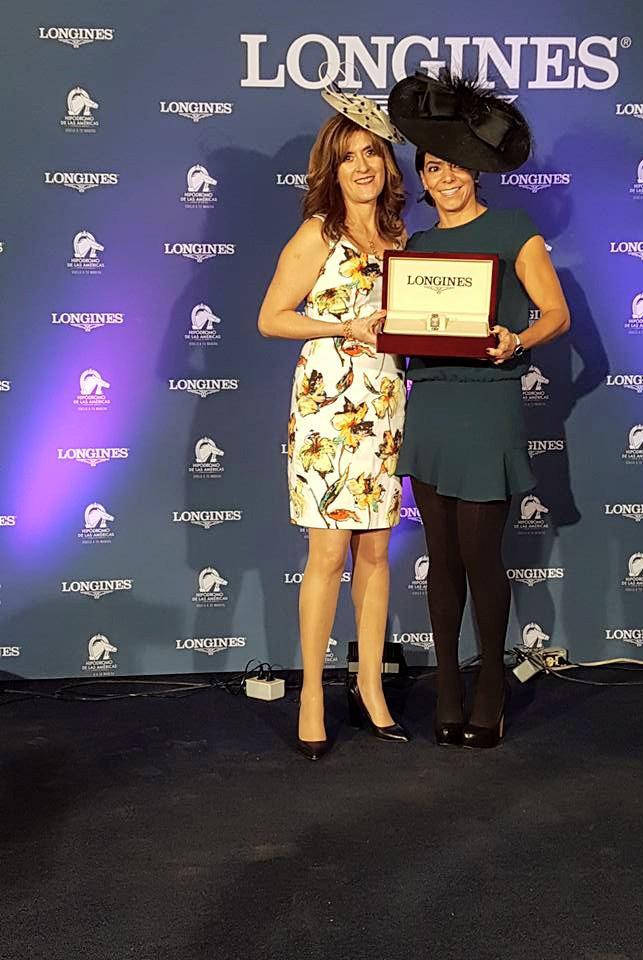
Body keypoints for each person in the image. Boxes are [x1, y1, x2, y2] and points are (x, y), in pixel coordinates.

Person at [388, 72, 571, 748]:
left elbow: (556, 314)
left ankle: (490, 688)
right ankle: (447, 689)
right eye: (434, 168)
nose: (447, 178)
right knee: (441, 558)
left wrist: (516, 340)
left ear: (476, 171)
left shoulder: (513, 229)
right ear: (422, 178)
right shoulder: (413, 248)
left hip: (488, 403)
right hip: (432, 402)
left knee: (481, 556)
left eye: (457, 167)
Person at [258, 86, 409, 760]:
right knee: (328, 554)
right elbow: (271, 319)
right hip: (327, 410)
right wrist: (343, 326)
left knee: (375, 551)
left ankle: (370, 687)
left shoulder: (401, 237)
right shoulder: (319, 232)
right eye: (349, 157)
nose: (363, 166)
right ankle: (313, 694)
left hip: (384, 406)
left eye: (372, 152)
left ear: (387, 162)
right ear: (333, 168)